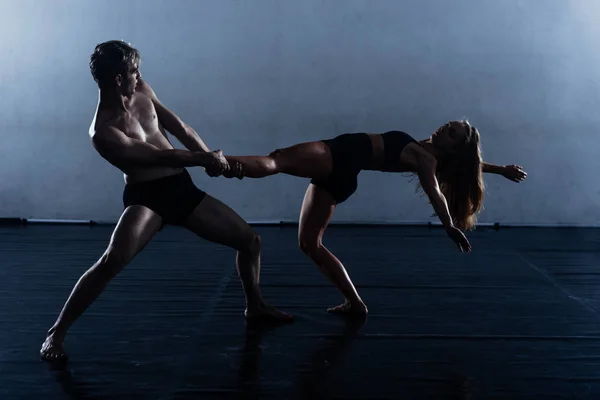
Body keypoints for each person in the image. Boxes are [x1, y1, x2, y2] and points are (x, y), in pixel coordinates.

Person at [40, 40, 291, 362]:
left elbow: (180, 128)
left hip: (180, 189)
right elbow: (160, 154)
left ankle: (254, 307)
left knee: (250, 241)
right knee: (111, 261)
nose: (139, 75)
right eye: (133, 71)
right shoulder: (103, 131)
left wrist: (212, 160)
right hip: (147, 199)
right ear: (118, 78)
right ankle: (56, 333)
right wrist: (204, 160)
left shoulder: (143, 90)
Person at [220, 122, 527, 314]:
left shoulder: (426, 160)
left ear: (453, 147)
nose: (443, 128)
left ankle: (213, 161)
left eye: (450, 133)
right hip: (342, 176)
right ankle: (355, 303)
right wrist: (501, 170)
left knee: (278, 159)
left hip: (339, 156)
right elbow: (473, 162)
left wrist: (448, 224)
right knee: (310, 244)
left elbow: (434, 190)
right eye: (449, 124)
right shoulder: (428, 149)